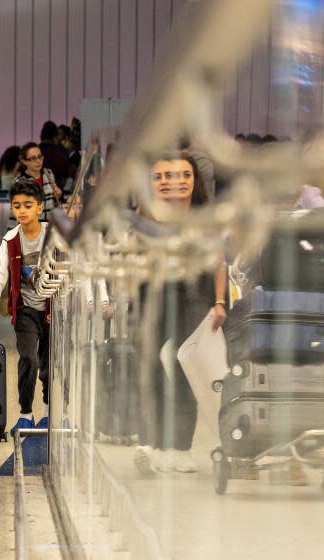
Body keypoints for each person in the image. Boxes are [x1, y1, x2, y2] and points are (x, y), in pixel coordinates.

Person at [133, 151, 227, 476]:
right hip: (155, 296)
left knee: (184, 367)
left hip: (195, 298)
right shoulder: (145, 216)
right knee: (152, 370)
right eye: (166, 177)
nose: (177, 183)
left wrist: (219, 302)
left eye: (185, 176)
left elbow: (218, 261)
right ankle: (153, 444)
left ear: (194, 180)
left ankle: (181, 447)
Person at [0, 179, 51, 434]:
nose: (22, 210)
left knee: (50, 364)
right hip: (25, 310)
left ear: (39, 208)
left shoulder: (53, 236)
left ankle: (48, 413)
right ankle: (26, 413)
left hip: (53, 309)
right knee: (29, 358)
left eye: (28, 205)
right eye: (17, 205)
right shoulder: (10, 240)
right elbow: (1, 273)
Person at [13, 142, 61, 224]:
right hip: (30, 228)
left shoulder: (48, 174)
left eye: (40, 157)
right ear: (25, 161)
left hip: (48, 227)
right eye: (33, 158)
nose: (38, 161)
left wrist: (57, 195)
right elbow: (15, 211)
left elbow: (53, 200)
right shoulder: (19, 181)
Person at [39, 121, 70, 188]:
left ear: (41, 134)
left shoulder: (34, 153)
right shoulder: (61, 153)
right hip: (56, 193)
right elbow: (63, 180)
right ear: (55, 136)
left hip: (36, 193)